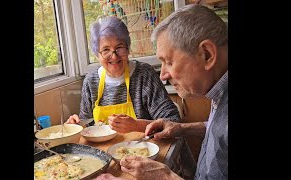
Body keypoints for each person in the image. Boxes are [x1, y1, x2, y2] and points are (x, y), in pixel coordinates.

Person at [97, 4, 228, 180]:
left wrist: (165, 176)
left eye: (168, 62)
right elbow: (217, 129)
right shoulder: (220, 93)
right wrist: (181, 128)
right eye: (105, 50)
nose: (163, 75)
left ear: (207, 55)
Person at [66, 15, 180, 134]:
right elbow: (87, 124)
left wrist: (138, 126)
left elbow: (172, 121)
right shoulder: (91, 81)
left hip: (145, 149)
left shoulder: (144, 74)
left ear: (128, 48)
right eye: (106, 50)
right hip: (107, 150)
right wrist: (76, 126)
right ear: (97, 55)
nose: (114, 56)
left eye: (119, 48)